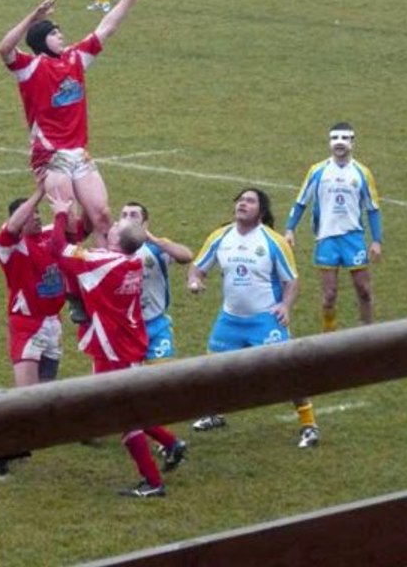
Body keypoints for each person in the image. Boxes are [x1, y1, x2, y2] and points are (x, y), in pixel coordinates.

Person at [0, 0, 156, 247]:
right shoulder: (29, 68)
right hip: (50, 155)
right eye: (55, 33)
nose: (61, 37)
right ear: (40, 40)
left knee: (102, 217)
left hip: (78, 153)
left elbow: (107, 27)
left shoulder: (76, 58)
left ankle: (106, 275)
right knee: (68, 223)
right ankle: (75, 280)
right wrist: (33, 18)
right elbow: (4, 48)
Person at [47, 194, 188, 497]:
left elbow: (56, 249)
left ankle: (153, 481)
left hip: (113, 348)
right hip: (127, 341)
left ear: (117, 240)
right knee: (126, 406)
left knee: (121, 414)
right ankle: (171, 443)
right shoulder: (131, 260)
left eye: (115, 228)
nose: (110, 227)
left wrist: (60, 214)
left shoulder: (103, 262)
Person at [187, 188, 320, 449]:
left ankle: (309, 425)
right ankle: (215, 413)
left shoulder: (273, 241)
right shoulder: (221, 236)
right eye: (240, 200)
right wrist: (194, 279)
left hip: (265, 320)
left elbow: (291, 280)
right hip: (230, 319)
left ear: (261, 210)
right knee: (213, 369)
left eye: (250, 201)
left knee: (285, 371)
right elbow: (198, 266)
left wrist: (285, 305)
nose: (242, 204)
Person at [284, 122, 382, 332]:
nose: (339, 143)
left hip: (353, 238)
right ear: (329, 142)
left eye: (345, 139)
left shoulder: (362, 173)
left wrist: (376, 240)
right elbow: (301, 201)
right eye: (335, 139)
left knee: (364, 290)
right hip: (326, 239)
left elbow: (372, 208)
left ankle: (369, 333)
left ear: (352, 142)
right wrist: (290, 229)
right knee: (329, 295)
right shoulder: (317, 171)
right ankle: (329, 337)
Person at [0, 186, 67, 387]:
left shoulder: (48, 235)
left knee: (46, 394)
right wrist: (40, 192)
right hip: (28, 325)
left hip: (54, 324)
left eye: (37, 212)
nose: (36, 217)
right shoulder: (9, 246)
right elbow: (11, 227)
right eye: (29, 214)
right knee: (27, 398)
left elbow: (81, 226)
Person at [119, 202, 194, 362]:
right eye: (124, 215)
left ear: (145, 223)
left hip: (156, 325)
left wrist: (156, 240)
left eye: (134, 215)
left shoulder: (156, 248)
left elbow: (186, 256)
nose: (128, 219)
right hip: (125, 328)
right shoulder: (110, 250)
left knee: (162, 378)